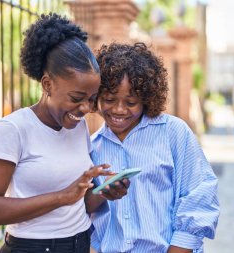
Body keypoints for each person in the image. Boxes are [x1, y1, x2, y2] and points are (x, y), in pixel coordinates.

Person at [0, 13, 116, 253]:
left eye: (91, 99)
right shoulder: (14, 129)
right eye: (76, 98)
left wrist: (105, 192)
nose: (86, 109)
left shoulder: (77, 127)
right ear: (47, 84)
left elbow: (81, 204)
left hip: (79, 243)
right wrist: (61, 196)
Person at [86, 42, 220, 253]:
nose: (119, 110)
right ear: (96, 97)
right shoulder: (92, 146)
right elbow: (84, 212)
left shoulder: (173, 132)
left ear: (146, 98)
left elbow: (199, 197)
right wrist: (101, 194)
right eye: (109, 100)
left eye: (131, 102)